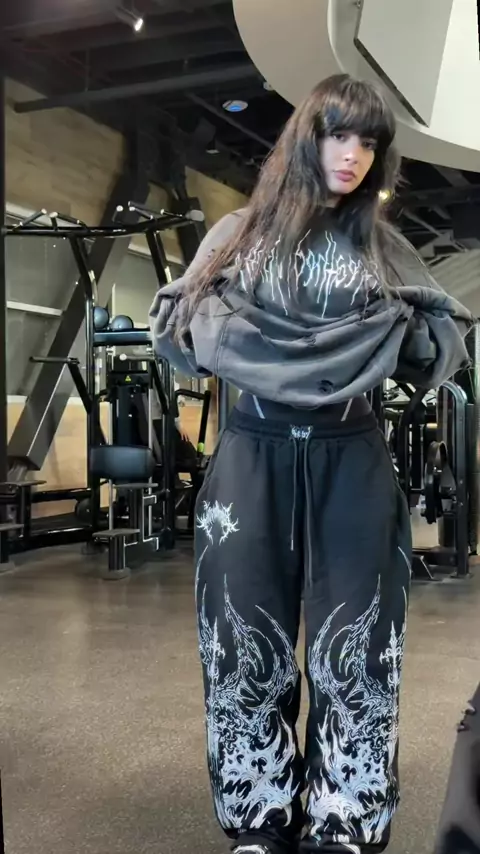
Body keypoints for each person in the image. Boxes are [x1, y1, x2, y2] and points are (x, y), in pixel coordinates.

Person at [149, 75, 473, 854]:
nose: (353, 155)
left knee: (358, 649)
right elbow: (177, 332)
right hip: (251, 458)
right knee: (241, 642)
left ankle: (345, 820)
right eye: (339, 134)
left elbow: (442, 343)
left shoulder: (383, 247)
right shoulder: (237, 235)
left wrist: (415, 340)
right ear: (307, 138)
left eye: (369, 142)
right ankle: (257, 817)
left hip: (350, 460)